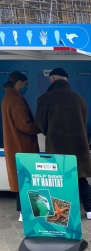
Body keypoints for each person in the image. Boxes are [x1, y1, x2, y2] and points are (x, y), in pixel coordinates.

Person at [35, 68, 91, 220]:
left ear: (52, 80)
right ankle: (89, 211)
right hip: (79, 146)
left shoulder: (45, 99)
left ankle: (61, 215)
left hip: (57, 147)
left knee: (58, 181)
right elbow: (84, 121)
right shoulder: (79, 99)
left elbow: (40, 125)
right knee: (81, 179)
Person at [1, 71, 40, 222]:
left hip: (15, 146)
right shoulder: (16, 101)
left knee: (21, 180)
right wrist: (39, 127)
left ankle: (23, 212)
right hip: (22, 147)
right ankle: (25, 213)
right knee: (27, 180)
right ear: (19, 83)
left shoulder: (8, 97)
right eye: (26, 84)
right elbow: (25, 125)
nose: (27, 88)